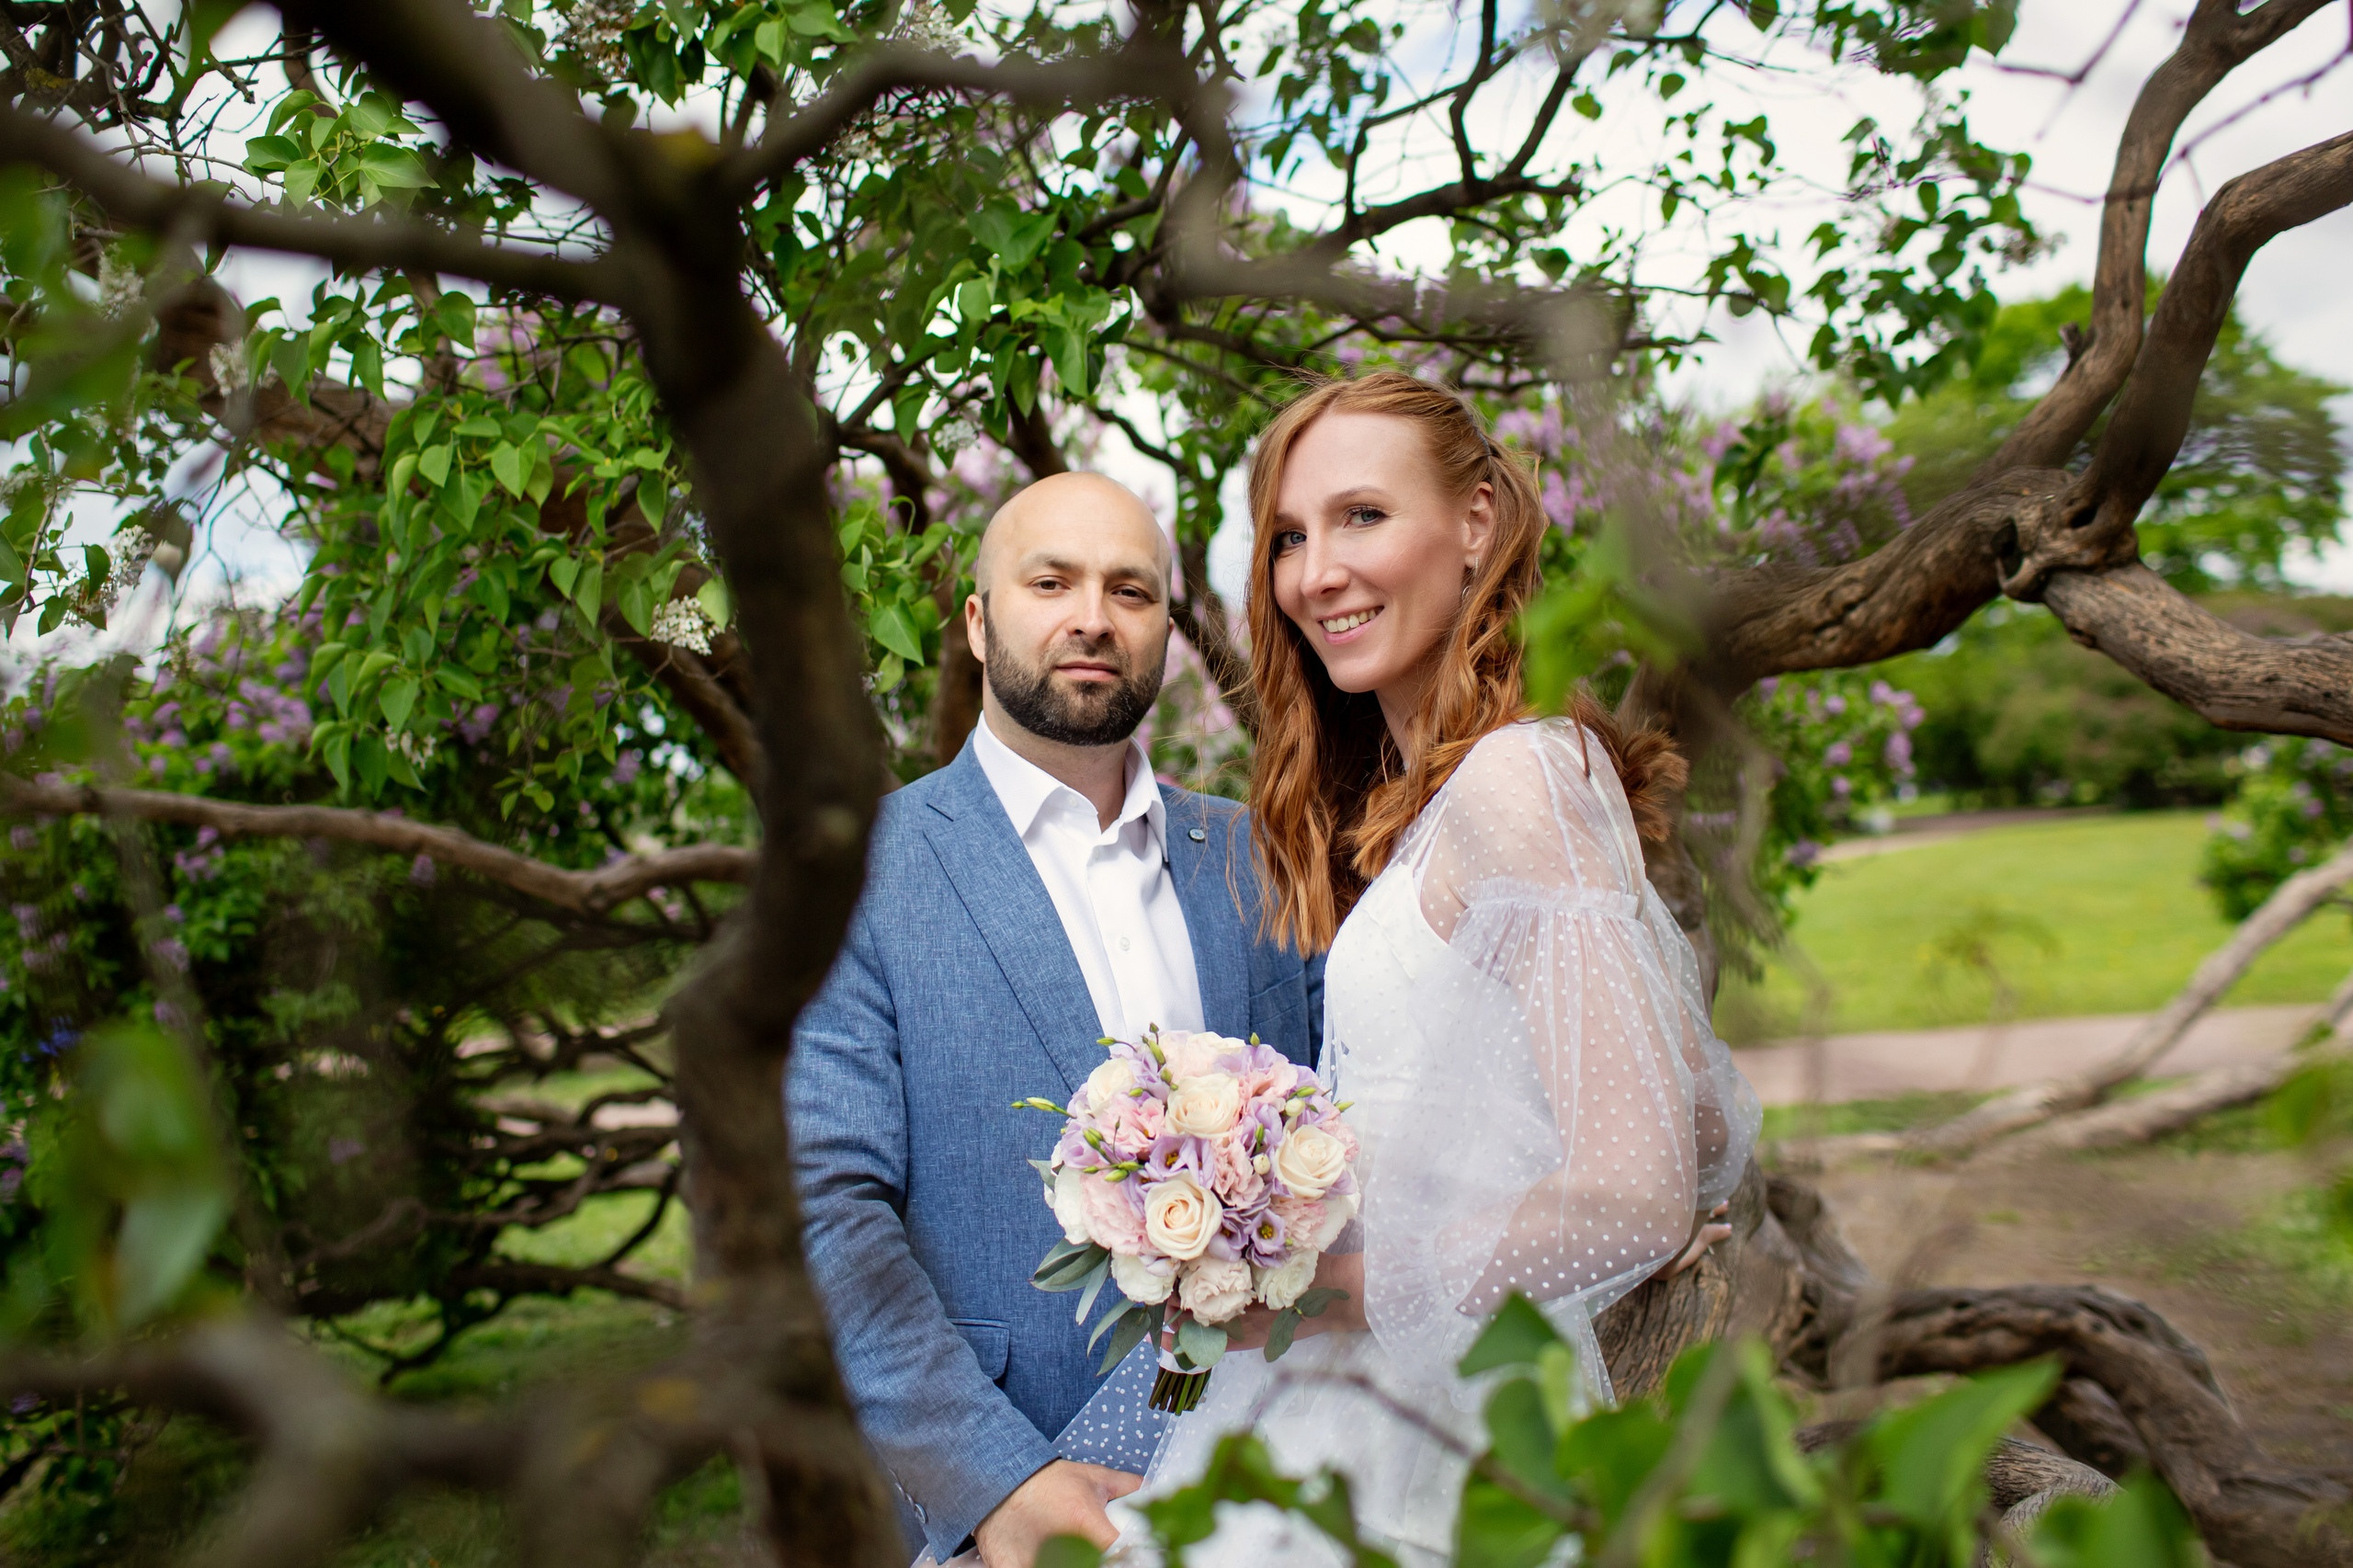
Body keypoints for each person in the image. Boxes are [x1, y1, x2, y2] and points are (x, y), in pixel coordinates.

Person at [1119, 373, 1762, 1566]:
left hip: (1427, 1427)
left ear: (1476, 524)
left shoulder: (1516, 780)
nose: (1316, 571)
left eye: (1362, 515)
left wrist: (1318, 1287)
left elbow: (1642, 1187)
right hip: (1380, 1397)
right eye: (1290, 536)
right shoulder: (1451, 797)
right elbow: (1700, 1108)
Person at [790, 471, 1323, 1568]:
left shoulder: (1259, 856)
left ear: (1168, 630)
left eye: (1131, 590)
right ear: (980, 625)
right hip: (1011, 1498)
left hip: (1276, 1466)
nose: (1093, 616)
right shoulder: (858, 874)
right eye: (1052, 581)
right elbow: (826, 1211)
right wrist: (999, 1481)